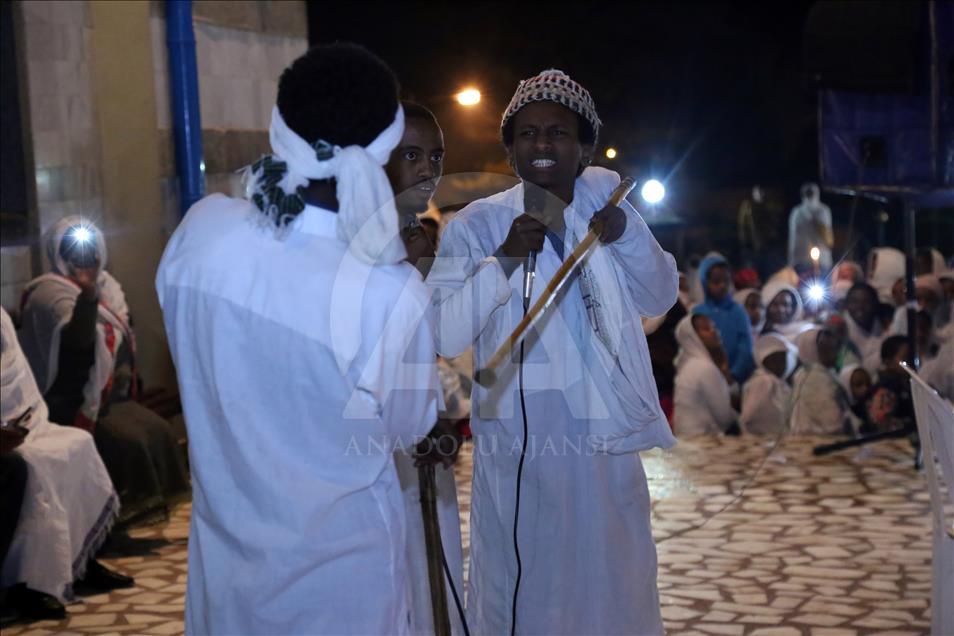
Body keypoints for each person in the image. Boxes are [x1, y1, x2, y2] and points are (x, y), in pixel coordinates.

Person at [156, 43, 441, 634]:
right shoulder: (388, 294)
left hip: (229, 584)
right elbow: (410, 426)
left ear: (280, 131)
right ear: (386, 149)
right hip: (344, 588)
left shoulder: (199, 236)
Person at [426, 69, 677, 635]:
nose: (543, 144)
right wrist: (505, 261)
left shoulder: (610, 211)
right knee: (526, 591)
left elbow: (660, 293)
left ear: (584, 147)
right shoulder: (476, 224)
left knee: (614, 587)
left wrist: (628, 236)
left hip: (604, 447)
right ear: (510, 150)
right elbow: (443, 333)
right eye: (529, 134)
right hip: (523, 450)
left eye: (558, 133)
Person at [18, 217, 188, 525]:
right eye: (74, 248)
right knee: (129, 441)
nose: (84, 255)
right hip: (67, 400)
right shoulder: (48, 294)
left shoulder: (110, 288)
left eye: (89, 247)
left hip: (109, 397)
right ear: (58, 252)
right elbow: (76, 349)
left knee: (158, 432)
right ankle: (110, 518)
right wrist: (87, 296)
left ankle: (147, 512)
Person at [385, 101, 466, 635]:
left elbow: (441, 337)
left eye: (435, 156)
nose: (427, 169)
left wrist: (425, 270)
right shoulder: (358, 248)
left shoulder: (420, 240)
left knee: (432, 570)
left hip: (424, 435)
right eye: (411, 154)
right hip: (381, 445)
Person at [0, 307, 130, 614]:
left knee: (77, 444)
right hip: (8, 435)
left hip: (23, 420)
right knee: (34, 463)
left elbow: (14, 374)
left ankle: (81, 561)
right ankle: (30, 583)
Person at [693, 254, 754, 383]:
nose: (722, 285)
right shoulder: (698, 312)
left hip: (734, 379)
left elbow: (745, 346)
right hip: (705, 376)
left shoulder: (737, 311)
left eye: (726, 281)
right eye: (716, 281)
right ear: (705, 283)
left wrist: (733, 374)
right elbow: (694, 346)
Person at [673, 314, 737, 436]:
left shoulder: (688, 364)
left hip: (685, 436)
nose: (714, 331)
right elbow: (724, 417)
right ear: (693, 337)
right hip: (700, 440)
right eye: (706, 329)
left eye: (713, 327)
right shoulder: (704, 367)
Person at [789, 328, 853, 435]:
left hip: (802, 437)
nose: (835, 354)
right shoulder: (817, 378)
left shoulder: (802, 373)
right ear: (811, 351)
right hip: (820, 438)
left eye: (834, 348)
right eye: (826, 350)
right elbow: (832, 421)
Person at [740, 334, 797, 436]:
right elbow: (750, 415)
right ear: (763, 362)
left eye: (782, 359)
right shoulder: (763, 381)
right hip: (761, 438)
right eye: (773, 360)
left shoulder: (778, 382)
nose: (779, 364)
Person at [867, 335, 913, 431]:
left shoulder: (905, 385)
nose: (910, 362)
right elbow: (882, 425)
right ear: (888, 362)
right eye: (905, 358)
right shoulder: (886, 390)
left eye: (912, 357)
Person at [787, 182, 833, 272]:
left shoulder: (823, 210)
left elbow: (827, 235)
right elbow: (792, 239)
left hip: (821, 261)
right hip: (800, 260)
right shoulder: (797, 212)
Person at [842, 282, 886, 374]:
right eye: (854, 302)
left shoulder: (885, 325)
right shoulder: (841, 328)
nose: (860, 307)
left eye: (866, 301)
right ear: (847, 304)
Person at [837, 364, 873, 433]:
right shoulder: (842, 415)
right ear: (846, 386)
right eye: (858, 384)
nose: (865, 388)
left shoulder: (872, 407)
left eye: (868, 383)